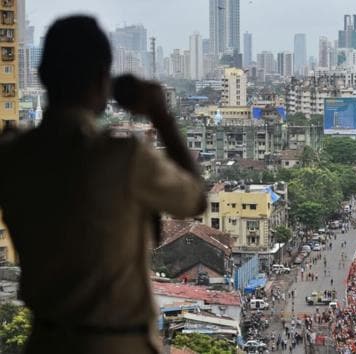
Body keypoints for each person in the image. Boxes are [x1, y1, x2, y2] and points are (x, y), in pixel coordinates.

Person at [0, 16, 206, 354]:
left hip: (44, 342)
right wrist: (160, 115)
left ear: (41, 76)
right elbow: (194, 199)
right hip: (116, 343)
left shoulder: (12, 155)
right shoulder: (124, 158)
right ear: (102, 80)